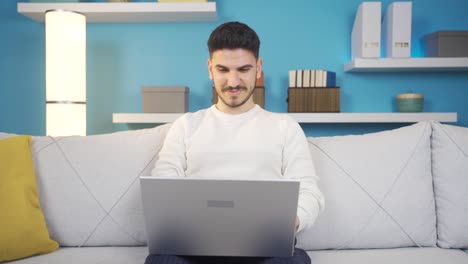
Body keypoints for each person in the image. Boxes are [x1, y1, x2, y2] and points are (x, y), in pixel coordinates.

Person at [146, 21, 324, 264]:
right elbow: (162, 188)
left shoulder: (285, 127)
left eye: (243, 69)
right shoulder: (186, 125)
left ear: (258, 68)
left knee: (293, 262)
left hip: (265, 249)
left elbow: (310, 194)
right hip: (194, 248)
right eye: (223, 70)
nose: (233, 82)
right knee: (161, 260)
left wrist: (286, 223)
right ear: (210, 69)